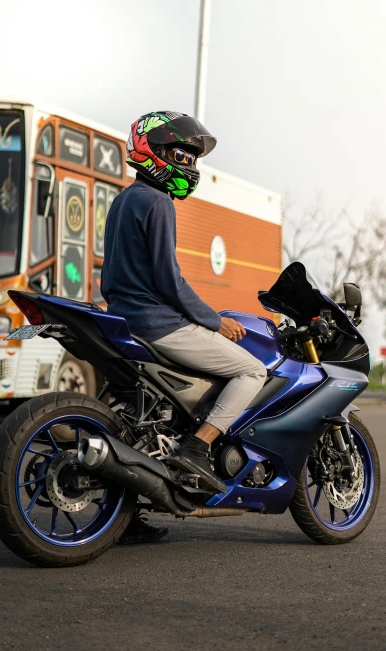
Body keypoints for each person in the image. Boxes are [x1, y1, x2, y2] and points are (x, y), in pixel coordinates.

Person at [101, 111, 267, 544]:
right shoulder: (156, 201)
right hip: (158, 324)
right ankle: (198, 447)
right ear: (152, 151)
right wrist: (216, 321)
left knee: (134, 425)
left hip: (124, 321)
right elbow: (168, 280)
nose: (189, 165)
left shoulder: (125, 199)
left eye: (193, 158)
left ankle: (120, 518)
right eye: (181, 154)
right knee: (253, 371)